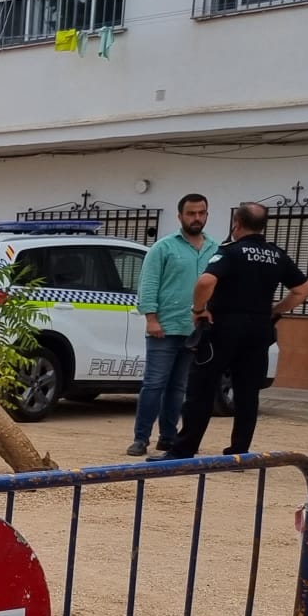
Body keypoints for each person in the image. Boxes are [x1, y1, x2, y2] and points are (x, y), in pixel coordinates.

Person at [168, 202, 308, 458]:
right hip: (258, 330)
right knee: (247, 392)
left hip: (223, 328)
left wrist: (198, 309)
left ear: (237, 223)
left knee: (201, 388)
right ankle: (239, 451)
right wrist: (275, 310)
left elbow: (205, 281)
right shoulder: (276, 255)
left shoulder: (231, 252)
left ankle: (183, 449)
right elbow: (303, 290)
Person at [129, 193, 217, 456]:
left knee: (179, 387)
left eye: (201, 213)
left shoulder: (215, 249)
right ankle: (140, 438)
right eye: (191, 213)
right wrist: (151, 319)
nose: (196, 218)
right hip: (164, 328)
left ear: (207, 215)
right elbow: (149, 284)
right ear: (180, 217)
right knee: (154, 384)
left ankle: (168, 437)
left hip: (195, 330)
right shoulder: (163, 248)